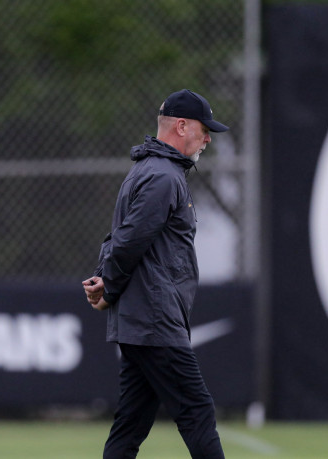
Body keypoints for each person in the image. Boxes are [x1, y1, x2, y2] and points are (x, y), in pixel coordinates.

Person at [83, 89, 229, 459]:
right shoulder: (165, 176)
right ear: (181, 126)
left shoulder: (146, 171)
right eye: (204, 129)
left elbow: (118, 236)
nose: (208, 138)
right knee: (197, 411)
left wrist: (104, 281)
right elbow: (130, 239)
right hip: (154, 320)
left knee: (130, 426)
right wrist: (109, 286)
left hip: (140, 322)